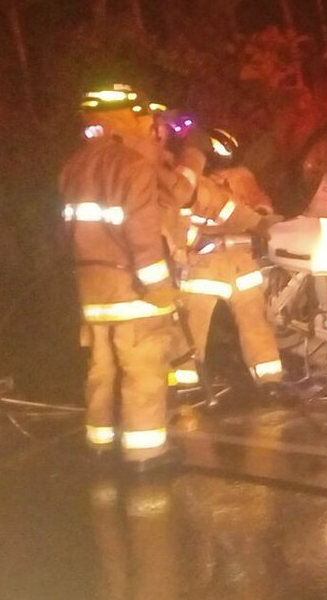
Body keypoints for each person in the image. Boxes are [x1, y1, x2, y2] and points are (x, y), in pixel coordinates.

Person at [60, 82, 178, 471]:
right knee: (142, 366)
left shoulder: (73, 166)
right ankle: (145, 455)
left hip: (89, 289)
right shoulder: (132, 165)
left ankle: (99, 444)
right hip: (131, 288)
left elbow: (66, 232)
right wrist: (159, 287)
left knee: (101, 367)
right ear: (131, 120)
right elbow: (142, 233)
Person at [171, 128, 285, 392]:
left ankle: (185, 384)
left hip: (210, 268)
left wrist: (261, 217)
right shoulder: (227, 181)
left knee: (193, 327)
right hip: (232, 266)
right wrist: (262, 221)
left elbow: (253, 206)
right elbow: (241, 211)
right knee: (252, 324)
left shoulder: (197, 183)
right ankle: (269, 381)